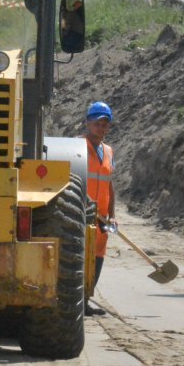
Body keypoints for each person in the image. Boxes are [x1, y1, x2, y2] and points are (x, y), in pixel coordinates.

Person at [83, 101, 115, 316]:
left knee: (98, 257)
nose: (100, 128)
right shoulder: (77, 147)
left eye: (104, 124)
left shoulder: (108, 151)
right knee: (80, 257)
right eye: (97, 123)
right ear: (87, 123)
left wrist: (112, 216)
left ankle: (85, 300)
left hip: (102, 217)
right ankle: (77, 302)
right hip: (82, 214)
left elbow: (110, 185)